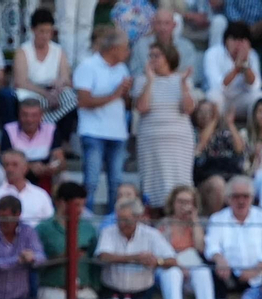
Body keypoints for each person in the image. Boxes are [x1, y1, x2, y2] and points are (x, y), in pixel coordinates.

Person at [75, 28, 135, 215]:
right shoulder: (87, 66)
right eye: (125, 48)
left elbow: (125, 103)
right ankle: (87, 225)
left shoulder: (122, 68)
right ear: (114, 48)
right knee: (91, 182)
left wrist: (125, 94)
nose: (128, 52)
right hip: (93, 132)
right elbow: (83, 101)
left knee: (116, 183)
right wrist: (115, 94)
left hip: (117, 133)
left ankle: (114, 223)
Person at [206, 174, 262, 293]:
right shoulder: (217, 218)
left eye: (245, 196)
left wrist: (255, 270)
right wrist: (219, 259)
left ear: (252, 198)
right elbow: (212, 246)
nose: (241, 201)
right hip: (227, 277)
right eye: (236, 196)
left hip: (260, 277)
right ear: (228, 198)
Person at [96, 197, 179, 298]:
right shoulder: (108, 232)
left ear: (138, 218)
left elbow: (172, 260)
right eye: (119, 219)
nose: (121, 224)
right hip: (111, 292)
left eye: (126, 220)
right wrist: (136, 258)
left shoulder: (151, 234)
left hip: (142, 293)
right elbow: (103, 256)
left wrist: (157, 262)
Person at [15, 9, 78, 126]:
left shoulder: (58, 50)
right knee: (33, 103)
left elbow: (65, 78)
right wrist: (46, 94)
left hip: (53, 91)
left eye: (49, 31)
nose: (45, 36)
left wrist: (58, 87)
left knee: (71, 98)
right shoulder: (23, 51)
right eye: (41, 31)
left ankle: (48, 125)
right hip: (32, 92)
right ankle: (45, 125)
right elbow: (21, 82)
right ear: (33, 30)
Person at [0, 194, 43, 299]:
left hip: (19, 298)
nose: (2, 222)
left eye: (6, 218)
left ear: (18, 215)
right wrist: (18, 260)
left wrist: (32, 257)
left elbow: (42, 257)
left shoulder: (28, 231)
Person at [38, 181, 100, 296]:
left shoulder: (89, 229)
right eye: (77, 205)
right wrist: (62, 257)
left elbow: (94, 261)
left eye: (83, 205)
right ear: (61, 203)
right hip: (53, 291)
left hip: (84, 291)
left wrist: (95, 287)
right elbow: (36, 262)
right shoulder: (43, 229)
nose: (80, 210)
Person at [159, 184, 217, 299]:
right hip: (170, 264)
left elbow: (200, 248)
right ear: (173, 203)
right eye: (180, 202)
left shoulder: (199, 223)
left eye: (188, 202)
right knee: (173, 274)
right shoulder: (164, 224)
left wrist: (194, 220)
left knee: (203, 271)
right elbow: (161, 251)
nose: (184, 206)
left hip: (192, 264)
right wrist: (179, 265)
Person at [192, 100, 248, 215]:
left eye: (209, 112)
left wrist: (230, 124)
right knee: (218, 184)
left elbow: (239, 149)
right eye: (201, 112)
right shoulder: (192, 132)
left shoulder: (224, 133)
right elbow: (201, 145)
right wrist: (215, 120)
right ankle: (216, 222)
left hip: (229, 175)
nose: (205, 115)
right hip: (204, 181)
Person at [204, 21, 262, 120]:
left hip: (240, 100)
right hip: (222, 99)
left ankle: (252, 132)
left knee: (259, 97)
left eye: (241, 40)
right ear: (226, 40)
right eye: (234, 39)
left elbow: (255, 86)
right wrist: (236, 69)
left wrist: (245, 64)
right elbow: (216, 86)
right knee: (213, 96)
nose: (238, 44)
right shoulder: (212, 53)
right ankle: (215, 131)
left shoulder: (252, 55)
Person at [0, 150, 55, 225]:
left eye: (15, 165)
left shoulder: (41, 195)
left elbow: (50, 225)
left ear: (25, 168)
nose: (10, 169)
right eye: (6, 165)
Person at [132, 9, 201, 85]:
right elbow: (135, 73)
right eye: (159, 23)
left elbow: (192, 75)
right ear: (152, 25)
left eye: (167, 23)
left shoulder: (186, 46)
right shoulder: (141, 45)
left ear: (174, 25)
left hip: (177, 87)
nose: (163, 28)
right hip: (149, 87)